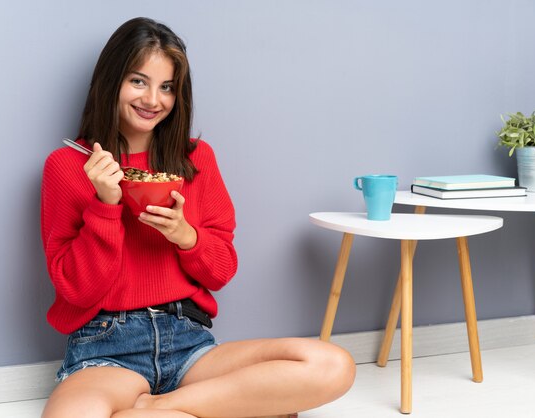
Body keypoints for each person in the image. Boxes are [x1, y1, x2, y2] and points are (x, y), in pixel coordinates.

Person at [40, 17, 355, 418]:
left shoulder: (195, 160)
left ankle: (159, 408)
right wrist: (104, 207)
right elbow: (76, 290)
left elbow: (221, 271)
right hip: (105, 347)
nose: (153, 99)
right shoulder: (68, 166)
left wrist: (186, 235)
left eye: (167, 87)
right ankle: (221, 410)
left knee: (332, 365)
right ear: (111, 81)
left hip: (189, 343)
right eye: (138, 81)